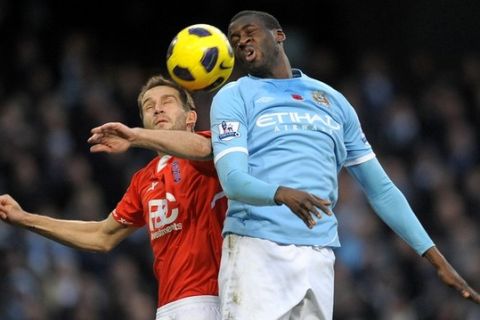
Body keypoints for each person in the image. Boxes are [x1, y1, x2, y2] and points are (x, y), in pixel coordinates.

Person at [208, 10, 480, 319]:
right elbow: (232, 179)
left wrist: (436, 259)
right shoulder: (233, 96)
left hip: (319, 253)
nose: (242, 41)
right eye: (235, 39)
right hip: (256, 248)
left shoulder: (332, 101)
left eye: (249, 32)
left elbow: (381, 190)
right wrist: (282, 193)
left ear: (279, 35)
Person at [0, 75, 227, 320]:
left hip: (214, 298)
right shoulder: (144, 179)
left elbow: (205, 149)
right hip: (169, 306)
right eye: (149, 107)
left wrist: (136, 136)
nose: (158, 108)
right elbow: (102, 236)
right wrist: (24, 218)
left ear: (191, 117)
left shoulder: (208, 150)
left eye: (167, 101)